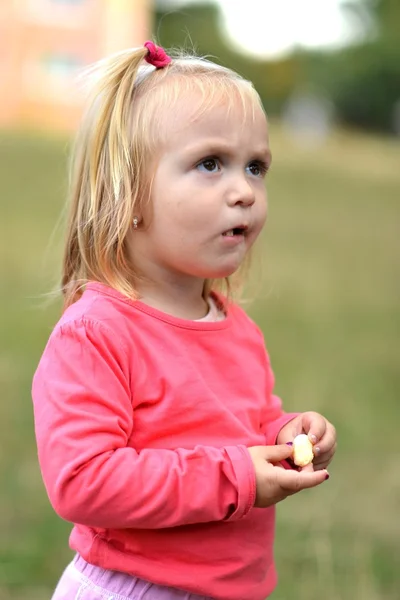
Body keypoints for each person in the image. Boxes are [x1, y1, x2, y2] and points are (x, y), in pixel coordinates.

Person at [32, 41, 337, 600]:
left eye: (256, 167)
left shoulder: (236, 327)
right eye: (210, 164)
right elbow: (82, 482)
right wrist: (236, 478)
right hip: (134, 588)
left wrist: (288, 434)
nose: (244, 191)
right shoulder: (98, 332)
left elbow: (243, 430)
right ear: (130, 193)